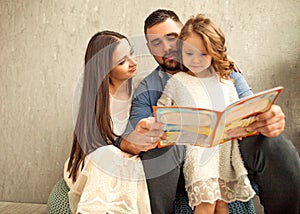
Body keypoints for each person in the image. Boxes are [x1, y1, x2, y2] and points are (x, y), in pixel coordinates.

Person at [117, 9, 300, 214]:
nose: (167, 47)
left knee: (274, 143)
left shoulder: (226, 72)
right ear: (149, 48)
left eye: (172, 38)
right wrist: (138, 136)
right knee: (162, 149)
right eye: (156, 43)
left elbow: (252, 107)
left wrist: (269, 116)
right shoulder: (148, 88)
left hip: (229, 153)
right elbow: (127, 140)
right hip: (181, 165)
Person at [51, 30, 159, 214]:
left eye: (132, 53)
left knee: (126, 162)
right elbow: (94, 147)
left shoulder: (141, 88)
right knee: (109, 155)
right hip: (94, 164)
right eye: (122, 61)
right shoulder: (96, 98)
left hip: (129, 160)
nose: (133, 62)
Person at [157, 13, 256, 213]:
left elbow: (237, 112)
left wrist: (240, 125)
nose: (195, 60)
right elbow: (162, 111)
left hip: (224, 151)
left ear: (214, 53)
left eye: (203, 54)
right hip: (197, 151)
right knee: (206, 202)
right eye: (189, 53)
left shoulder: (226, 82)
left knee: (221, 203)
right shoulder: (177, 82)